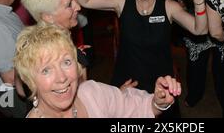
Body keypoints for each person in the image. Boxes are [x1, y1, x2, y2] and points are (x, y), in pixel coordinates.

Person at [77, 0, 208, 116]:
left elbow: (200, 30)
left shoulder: (168, 7)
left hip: (160, 83)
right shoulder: (121, 1)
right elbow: (83, 0)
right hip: (128, 80)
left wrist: (199, 0)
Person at [14, 24, 181, 118]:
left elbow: (137, 107)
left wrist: (158, 102)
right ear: (30, 80)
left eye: (66, 62)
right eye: (46, 70)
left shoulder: (91, 93)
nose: (62, 78)